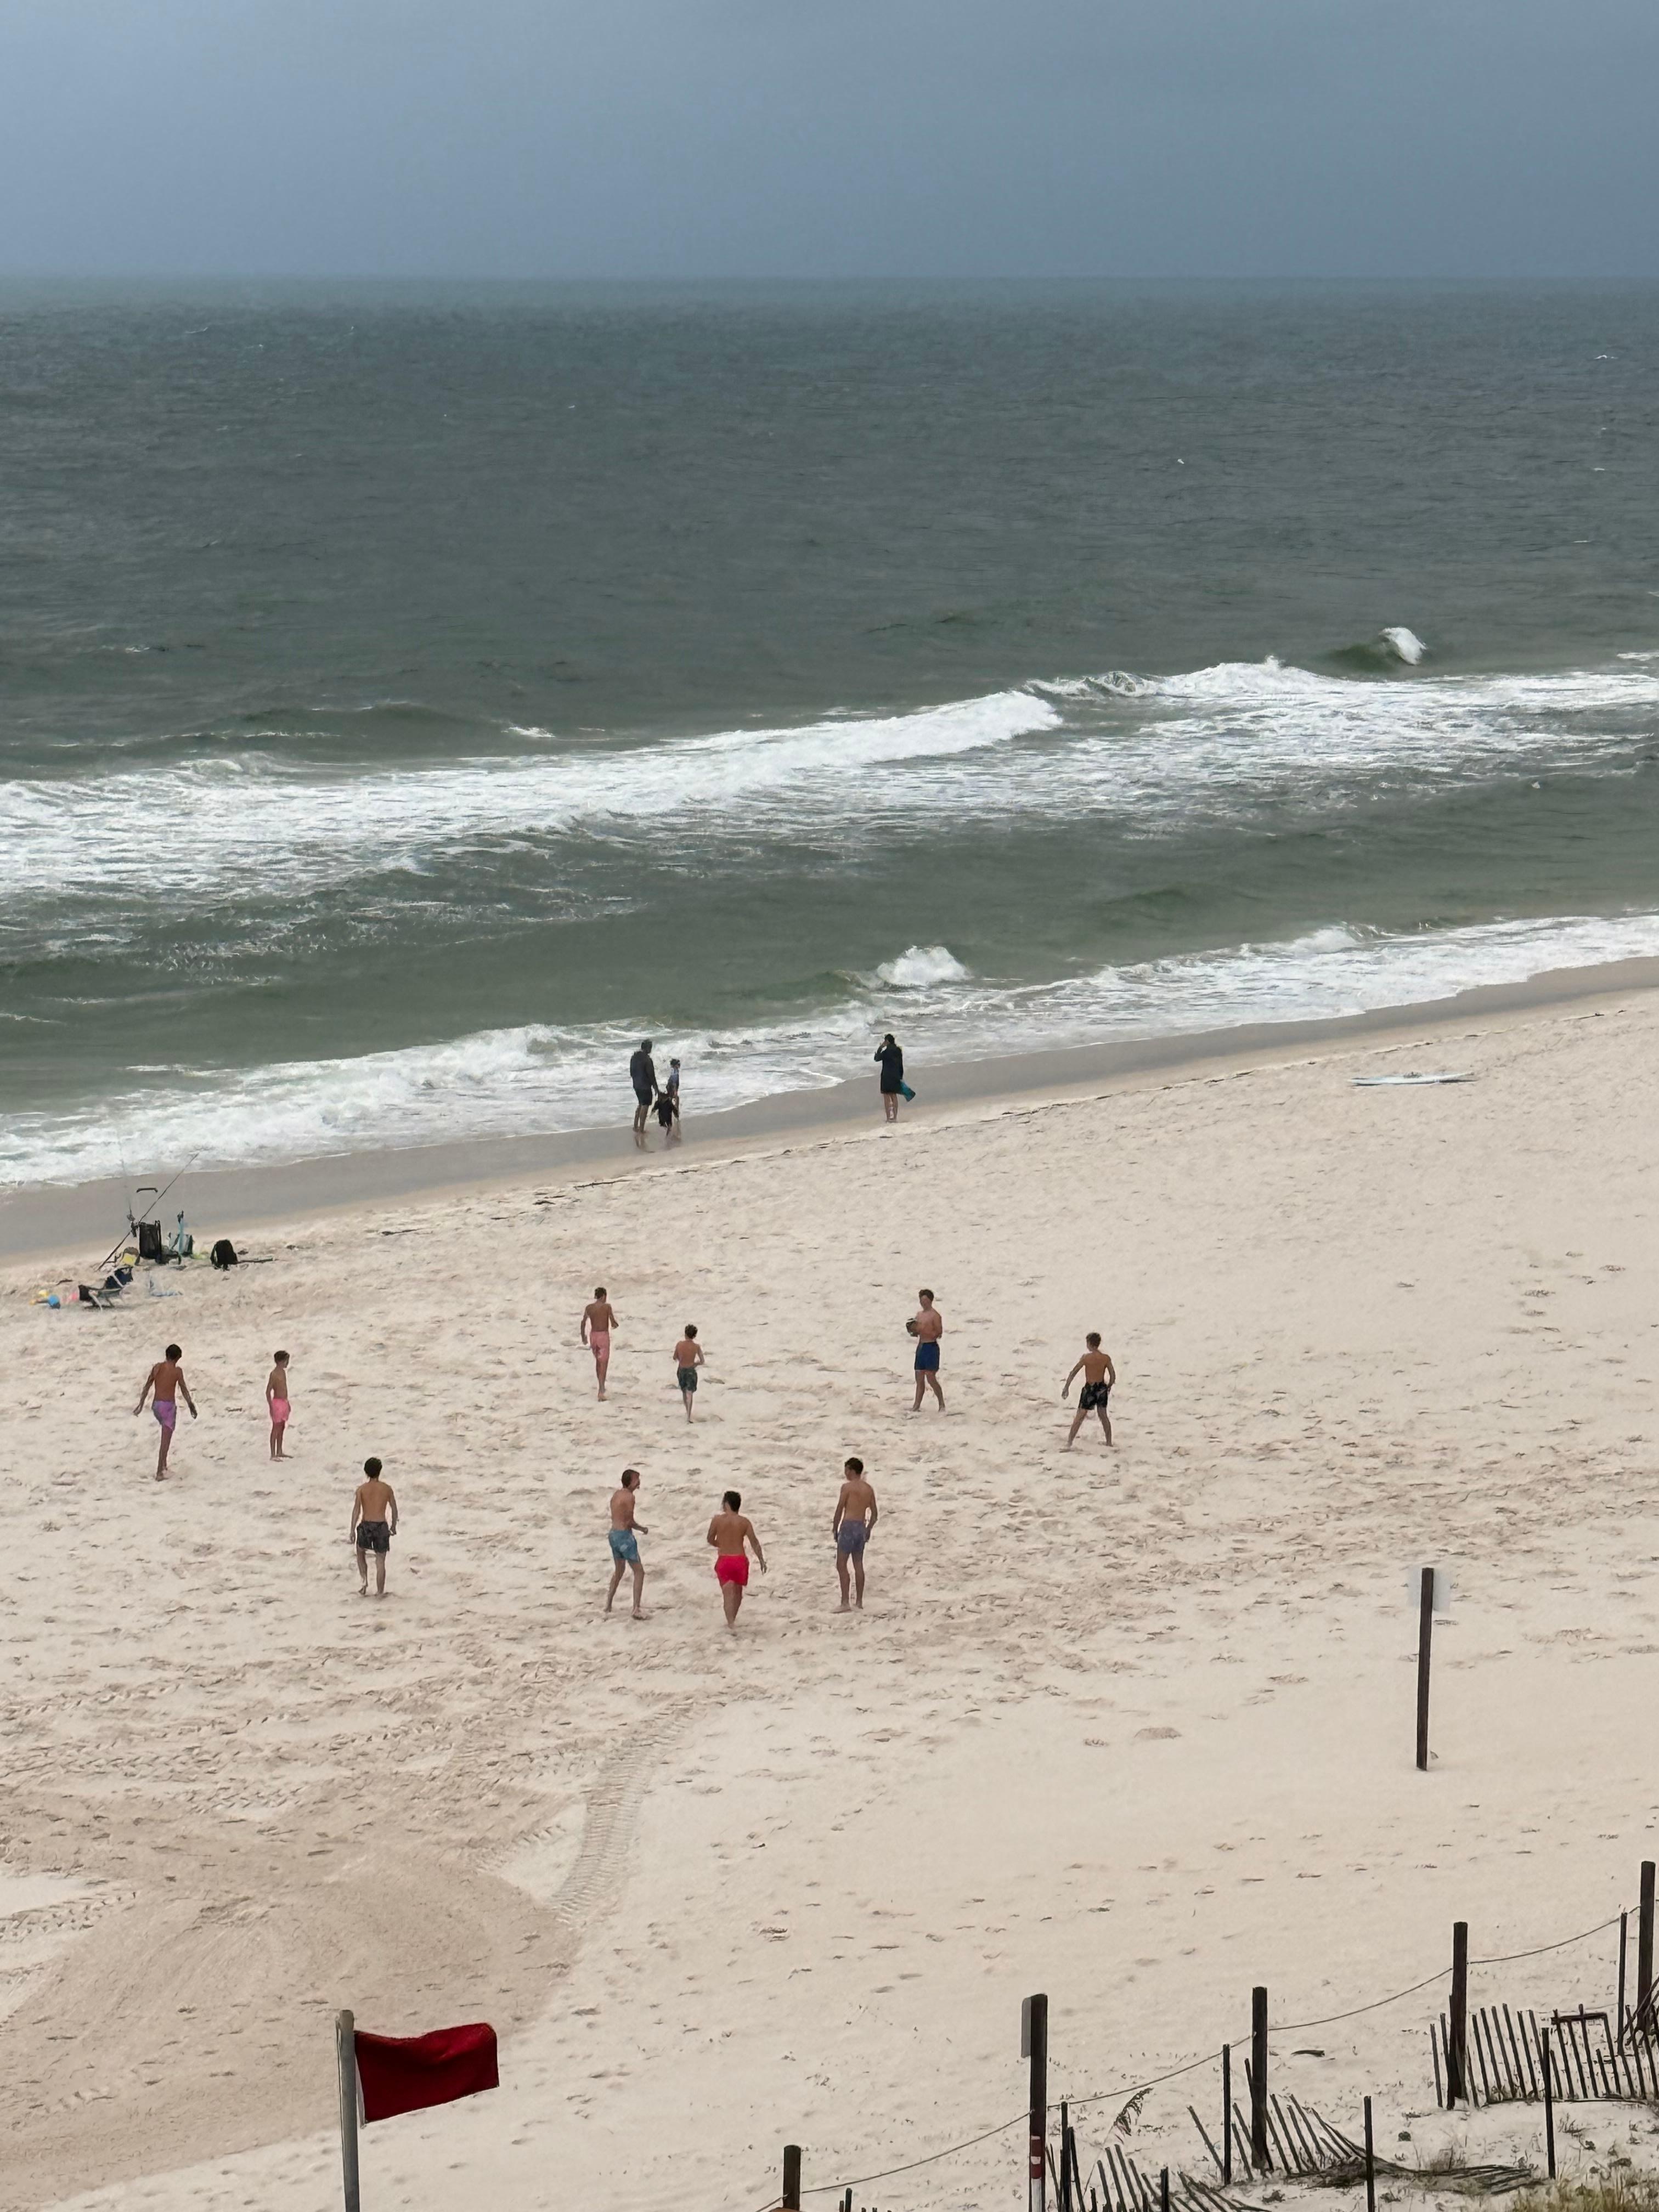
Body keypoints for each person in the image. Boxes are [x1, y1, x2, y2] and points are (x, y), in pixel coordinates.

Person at [133, 1341, 196, 1480]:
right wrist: (191, 1405)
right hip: (168, 1408)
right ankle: (159, 1472)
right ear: (177, 1358)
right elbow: (184, 1390)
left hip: (156, 1406)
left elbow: (147, 1387)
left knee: (165, 1435)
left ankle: (164, 1466)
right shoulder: (177, 1371)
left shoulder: (157, 1368)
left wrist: (141, 1405)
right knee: (165, 1441)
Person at [706, 1488, 766, 1628]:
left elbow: (710, 1539)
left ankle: (730, 1624)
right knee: (738, 1594)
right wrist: (762, 1560)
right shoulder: (744, 1522)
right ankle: (733, 1619)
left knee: (727, 1594)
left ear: (726, 1504)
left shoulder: (717, 1520)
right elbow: (754, 1543)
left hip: (725, 1560)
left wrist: (719, 1544)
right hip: (740, 1560)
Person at [832, 1455, 878, 1612]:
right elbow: (875, 1515)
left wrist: (835, 1528)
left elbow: (840, 1509)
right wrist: (869, 1529)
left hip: (848, 1527)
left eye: (846, 1470)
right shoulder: (868, 1489)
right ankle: (859, 1602)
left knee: (841, 1564)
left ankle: (845, 1602)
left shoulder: (847, 1488)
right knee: (858, 1564)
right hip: (860, 1527)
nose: (845, 1473)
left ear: (851, 1471)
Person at [348, 1456, 398, 1597]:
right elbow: (394, 1509)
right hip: (381, 1525)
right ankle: (380, 1592)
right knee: (380, 1560)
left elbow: (357, 1511)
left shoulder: (362, 1489)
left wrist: (352, 1529)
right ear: (380, 1471)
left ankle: (364, 1584)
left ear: (366, 1472)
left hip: (366, 1525)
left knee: (360, 1553)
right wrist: (393, 1526)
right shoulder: (387, 1489)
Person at [606, 1468, 647, 1618]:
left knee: (619, 1571)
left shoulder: (616, 1494)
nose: (639, 1483)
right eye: (637, 1480)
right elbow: (629, 1520)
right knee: (639, 1572)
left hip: (613, 1535)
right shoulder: (630, 1497)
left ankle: (609, 1604)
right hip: (624, 1537)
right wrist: (642, 1529)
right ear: (629, 1482)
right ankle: (636, 1608)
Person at [1063, 1332, 1117, 1447]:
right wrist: (1109, 1386)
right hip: (1102, 1388)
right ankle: (1109, 1443)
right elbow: (1113, 1375)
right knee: (1103, 1416)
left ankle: (1069, 1443)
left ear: (1090, 1344)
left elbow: (1074, 1372)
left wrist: (1066, 1387)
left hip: (1090, 1389)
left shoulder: (1086, 1358)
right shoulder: (1106, 1358)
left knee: (1080, 1415)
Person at [907, 1289, 944, 1412]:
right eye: (922, 1301)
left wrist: (925, 1331)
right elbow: (916, 1332)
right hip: (921, 1347)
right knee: (919, 1378)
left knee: (931, 1378)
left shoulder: (935, 1315)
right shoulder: (919, 1315)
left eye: (926, 1301)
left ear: (931, 1301)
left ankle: (941, 1404)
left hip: (931, 1347)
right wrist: (914, 1330)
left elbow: (939, 1333)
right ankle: (916, 1406)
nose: (924, 1303)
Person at [582, 1287, 619, 1400]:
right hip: (603, 1336)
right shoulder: (607, 1307)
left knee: (598, 1362)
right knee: (604, 1363)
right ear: (603, 1296)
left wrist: (583, 1336)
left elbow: (583, 1322)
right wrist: (615, 1324)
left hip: (593, 1336)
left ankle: (601, 1386)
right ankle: (601, 1390)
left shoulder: (589, 1308)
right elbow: (613, 1323)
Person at [674, 1323, 704, 1421]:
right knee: (690, 1393)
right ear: (695, 1336)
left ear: (685, 1334)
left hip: (681, 1370)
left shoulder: (679, 1344)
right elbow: (702, 1361)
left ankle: (687, 1411)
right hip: (691, 1370)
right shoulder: (697, 1346)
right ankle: (689, 1416)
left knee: (684, 1392)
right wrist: (695, 1364)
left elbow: (675, 1357)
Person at [266, 1350, 292, 1461]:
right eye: (286, 1361)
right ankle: (273, 1454)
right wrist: (271, 1406)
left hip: (284, 1402)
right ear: (281, 1361)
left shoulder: (283, 1372)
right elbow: (268, 1391)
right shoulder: (274, 1374)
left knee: (282, 1427)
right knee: (275, 1428)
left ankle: (279, 1450)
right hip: (277, 1403)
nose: (288, 1363)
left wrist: (288, 1402)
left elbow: (285, 1389)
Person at [630, 1039, 658, 1144]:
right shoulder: (647, 1060)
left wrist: (636, 1082)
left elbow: (631, 1072)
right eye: (650, 1047)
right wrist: (656, 1088)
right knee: (645, 1105)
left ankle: (635, 1126)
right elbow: (652, 1076)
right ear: (647, 1048)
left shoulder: (634, 1058)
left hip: (636, 1085)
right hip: (645, 1086)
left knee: (640, 1104)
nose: (651, 1049)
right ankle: (641, 1129)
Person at [874, 1032, 905, 1124]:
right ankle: (895, 1117)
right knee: (894, 1096)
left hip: (886, 1076)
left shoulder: (886, 1052)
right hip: (896, 1075)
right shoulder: (898, 1050)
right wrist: (901, 1076)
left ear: (887, 1041)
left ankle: (888, 1118)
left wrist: (880, 1048)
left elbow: (876, 1058)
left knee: (887, 1097)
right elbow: (901, 1064)